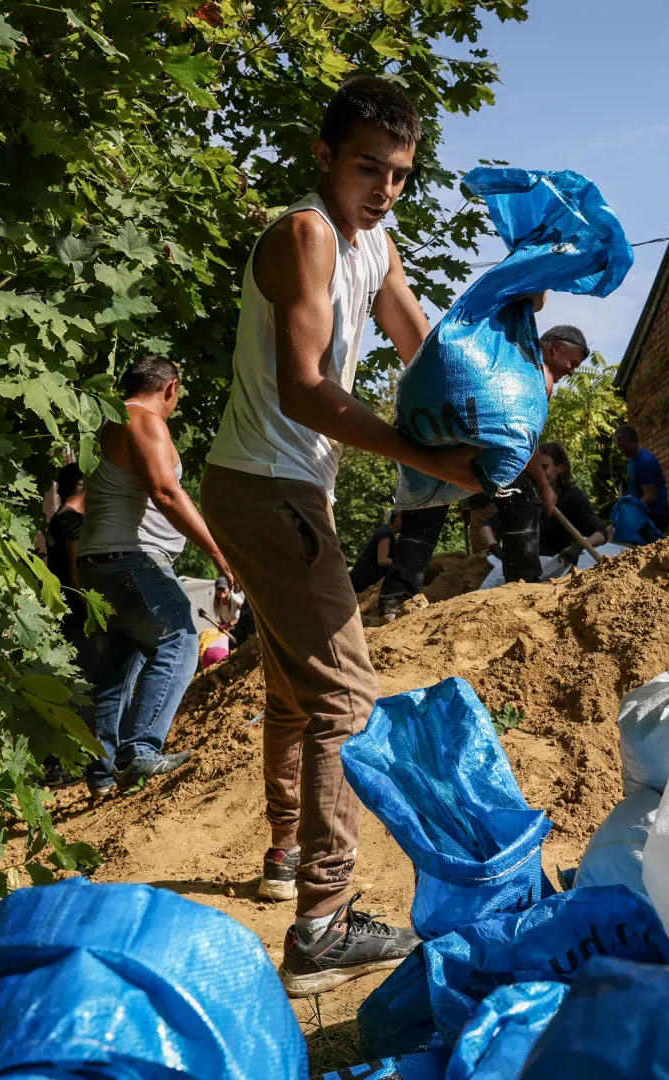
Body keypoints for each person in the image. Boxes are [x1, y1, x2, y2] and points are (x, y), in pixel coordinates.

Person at [197, 75, 480, 995]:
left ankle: (285, 850)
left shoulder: (376, 243)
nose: (386, 189)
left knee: (293, 687)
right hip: (268, 486)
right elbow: (306, 389)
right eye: (369, 168)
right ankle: (323, 921)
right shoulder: (306, 234)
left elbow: (422, 348)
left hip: (283, 490)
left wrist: (492, 397)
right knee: (346, 697)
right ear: (324, 157)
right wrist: (435, 463)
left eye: (400, 173)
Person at [77, 355, 233, 798]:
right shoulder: (144, 419)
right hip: (134, 560)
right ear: (170, 388)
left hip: (97, 566)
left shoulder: (109, 423)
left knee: (118, 668)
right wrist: (220, 553)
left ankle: (104, 773)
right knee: (180, 639)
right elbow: (165, 491)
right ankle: (139, 750)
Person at [378, 324, 591, 616]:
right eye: (573, 363)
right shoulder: (538, 372)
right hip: (481, 449)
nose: (572, 371)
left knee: (425, 509)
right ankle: (523, 587)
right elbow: (525, 439)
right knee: (523, 497)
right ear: (556, 348)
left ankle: (396, 599)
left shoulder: (501, 352)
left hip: (438, 435)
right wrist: (543, 487)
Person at [45, 462, 89, 667]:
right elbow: (75, 575)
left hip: (64, 611)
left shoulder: (57, 519)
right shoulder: (73, 522)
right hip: (78, 618)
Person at [534, 441, 605, 563]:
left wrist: (578, 547)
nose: (539, 473)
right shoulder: (529, 496)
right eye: (536, 468)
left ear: (560, 468)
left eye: (545, 467)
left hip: (558, 567)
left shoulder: (572, 497)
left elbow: (601, 534)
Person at [613, 423, 669, 534]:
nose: (622, 450)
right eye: (619, 446)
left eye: (624, 445)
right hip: (641, 513)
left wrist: (630, 510)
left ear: (635, 440)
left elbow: (650, 496)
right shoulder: (631, 459)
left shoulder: (645, 462)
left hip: (654, 516)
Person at [349, 509, 402, 593]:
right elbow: (382, 560)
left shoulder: (383, 530)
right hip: (362, 580)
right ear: (399, 518)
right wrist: (401, 564)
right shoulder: (386, 534)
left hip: (360, 578)